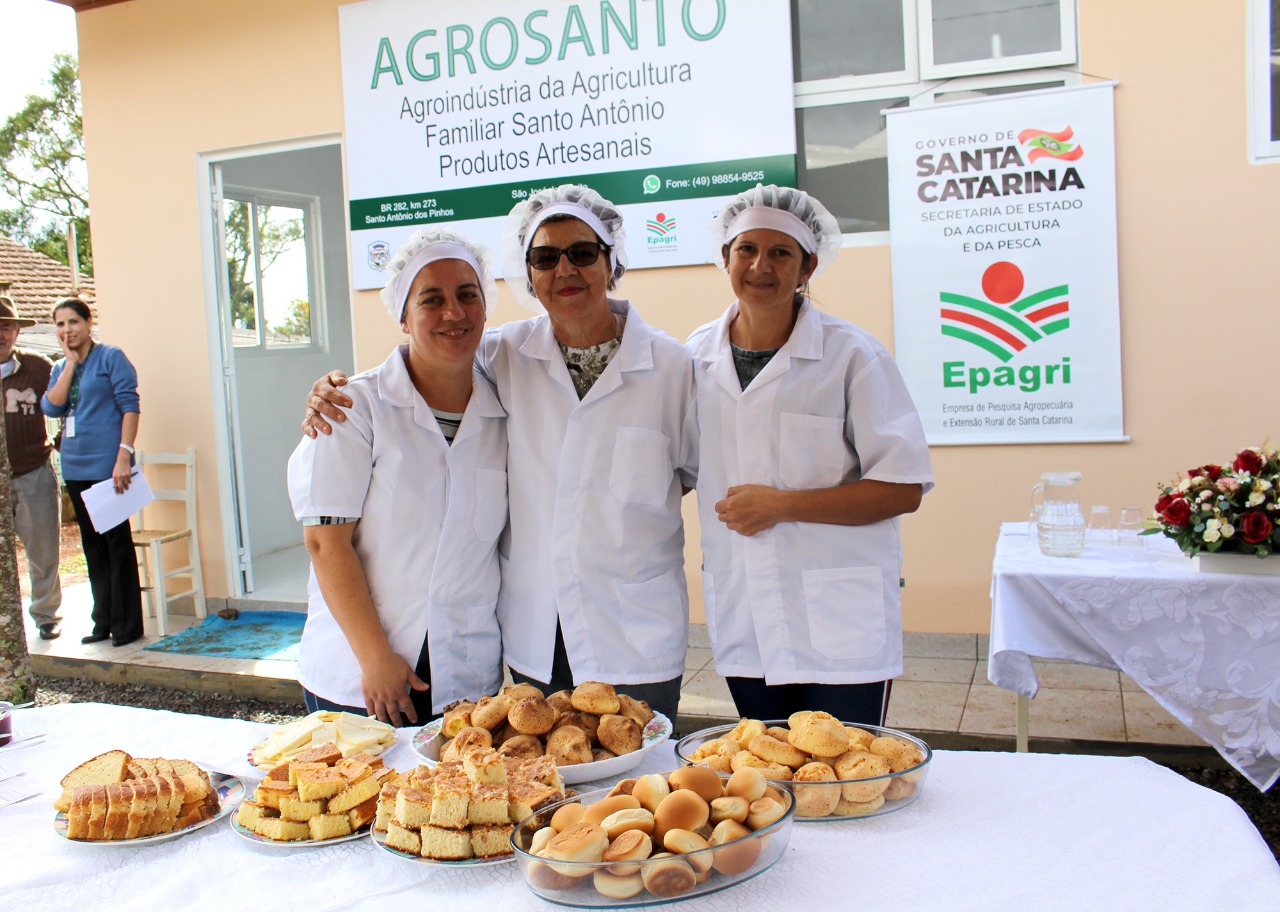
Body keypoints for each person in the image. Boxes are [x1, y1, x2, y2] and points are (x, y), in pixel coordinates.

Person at [303, 186, 697, 723]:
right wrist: (325, 392)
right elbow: (327, 540)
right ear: (528, 275)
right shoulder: (500, 358)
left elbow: (692, 472)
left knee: (633, 790)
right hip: (533, 637)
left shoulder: (674, 367)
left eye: (582, 252)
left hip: (635, 632)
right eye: (544, 257)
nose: (565, 269)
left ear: (611, 262)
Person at [686, 184, 934, 724]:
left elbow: (903, 487)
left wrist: (781, 506)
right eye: (746, 249)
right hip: (745, 610)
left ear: (808, 267)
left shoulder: (853, 356)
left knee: (851, 777)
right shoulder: (693, 359)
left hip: (841, 622)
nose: (760, 265)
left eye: (781, 252)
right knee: (769, 780)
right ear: (724, 257)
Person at [287, 228, 507, 727]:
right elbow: (325, 543)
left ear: (486, 307)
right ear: (404, 317)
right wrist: (374, 658)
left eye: (467, 295)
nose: (454, 312)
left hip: (467, 677)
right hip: (363, 676)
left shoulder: (504, 408)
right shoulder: (353, 407)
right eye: (432, 299)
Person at [40, 296, 144, 648]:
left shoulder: (111, 357)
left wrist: (123, 456)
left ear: (88, 323)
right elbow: (51, 407)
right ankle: (102, 622)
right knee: (92, 546)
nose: (66, 330)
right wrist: (69, 364)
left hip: (108, 467)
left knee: (117, 544)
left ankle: (126, 626)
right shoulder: (59, 367)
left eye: (73, 322)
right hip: (75, 464)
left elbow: (130, 407)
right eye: (60, 324)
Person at [1, 289, 62, 640]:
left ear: (17, 331)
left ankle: (46, 615)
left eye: (7, 326)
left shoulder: (38, 367)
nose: (1, 333)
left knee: (43, 549)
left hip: (33, 474)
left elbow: (68, 403)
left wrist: (60, 442)